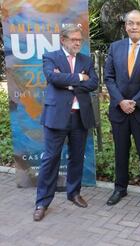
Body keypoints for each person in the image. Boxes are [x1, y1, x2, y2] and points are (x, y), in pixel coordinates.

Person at [34, 24, 98, 221]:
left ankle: (74, 193)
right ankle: (42, 202)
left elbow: (94, 82)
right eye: (73, 39)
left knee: (77, 157)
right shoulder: (51, 57)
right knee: (51, 159)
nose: (78, 43)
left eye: (80, 40)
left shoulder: (86, 59)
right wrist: (79, 78)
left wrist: (67, 81)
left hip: (80, 116)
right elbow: (53, 77)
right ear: (63, 39)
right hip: (57, 116)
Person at [104, 10, 140, 209]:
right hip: (119, 110)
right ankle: (120, 188)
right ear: (125, 26)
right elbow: (109, 78)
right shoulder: (115, 47)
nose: (134, 27)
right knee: (120, 151)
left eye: (138, 23)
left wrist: (134, 102)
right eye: (130, 23)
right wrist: (121, 101)